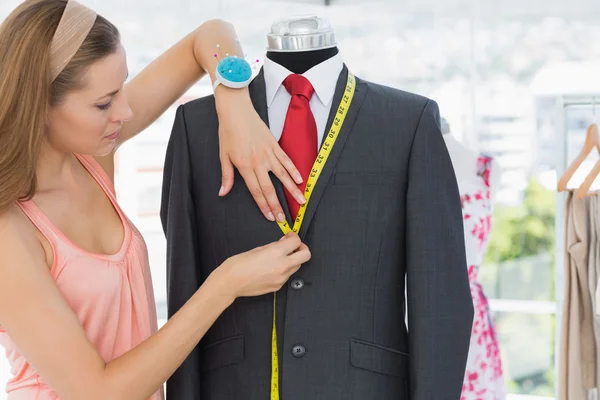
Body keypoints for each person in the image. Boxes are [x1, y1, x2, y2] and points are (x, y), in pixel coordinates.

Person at [0, 1, 311, 399]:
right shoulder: (11, 229)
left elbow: (210, 35)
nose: (125, 111)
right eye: (104, 103)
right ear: (39, 104)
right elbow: (99, 392)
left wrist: (234, 104)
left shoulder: (90, 159)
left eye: (122, 87)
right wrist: (225, 285)